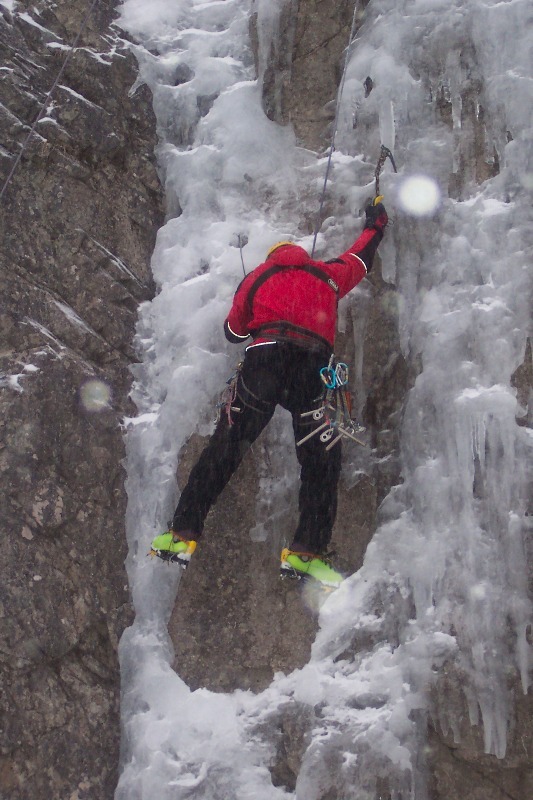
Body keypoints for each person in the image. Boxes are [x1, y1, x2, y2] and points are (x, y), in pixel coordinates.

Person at [151, 198, 388, 589]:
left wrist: (259, 309)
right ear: (301, 255)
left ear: (272, 256)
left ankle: (180, 535)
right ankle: (305, 553)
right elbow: (361, 258)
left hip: (266, 360)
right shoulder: (328, 274)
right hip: (313, 367)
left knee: (225, 448)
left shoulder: (258, 277)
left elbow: (234, 331)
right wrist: (375, 221)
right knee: (320, 461)